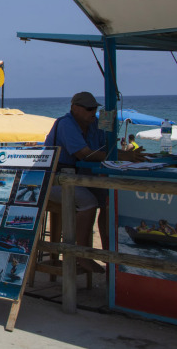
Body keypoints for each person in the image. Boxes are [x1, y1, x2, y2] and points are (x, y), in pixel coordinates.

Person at [45, 92, 146, 273]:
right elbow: (84, 153)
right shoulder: (66, 124)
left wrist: (126, 153)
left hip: (79, 178)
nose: (93, 112)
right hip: (55, 179)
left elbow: (106, 149)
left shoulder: (94, 125)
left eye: (95, 108)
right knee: (89, 202)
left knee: (109, 200)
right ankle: (82, 255)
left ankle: (109, 255)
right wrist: (125, 155)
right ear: (75, 108)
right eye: (89, 109)